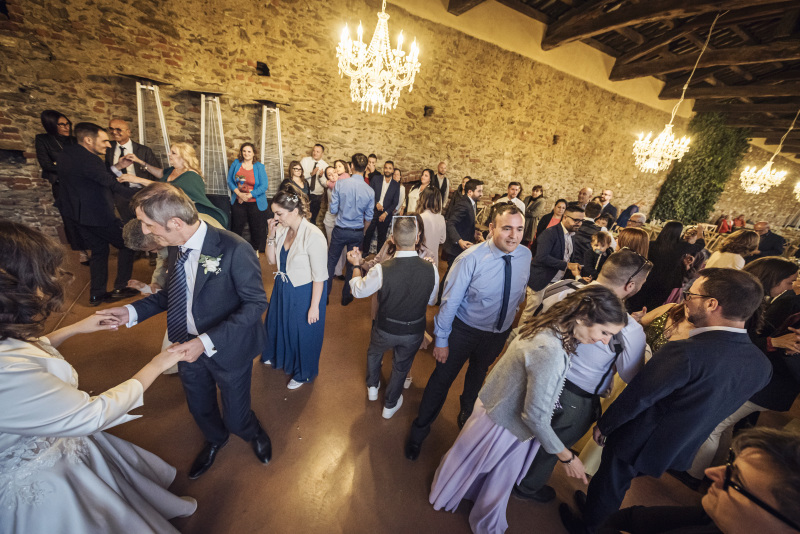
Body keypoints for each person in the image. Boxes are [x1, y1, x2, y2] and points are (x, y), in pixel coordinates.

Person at [0, 220, 197, 533]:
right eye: (42, 273)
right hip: (41, 484)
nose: (49, 281)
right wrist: (157, 364)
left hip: (54, 445)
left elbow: (23, 354)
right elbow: (92, 414)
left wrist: (76, 328)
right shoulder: (6, 373)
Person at [560, 268, 773, 533]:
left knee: (610, 483)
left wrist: (606, 424)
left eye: (691, 294)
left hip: (639, 438)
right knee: (614, 484)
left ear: (711, 304)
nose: (685, 299)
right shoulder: (762, 365)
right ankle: (596, 510)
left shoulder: (687, 352)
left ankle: (592, 527)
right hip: (680, 445)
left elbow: (641, 395)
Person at [97, 183, 272, 479]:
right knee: (199, 406)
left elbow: (256, 304)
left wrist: (205, 341)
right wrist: (131, 311)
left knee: (236, 413)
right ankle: (215, 439)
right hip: (184, 344)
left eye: (148, 223)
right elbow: (172, 294)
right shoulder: (176, 245)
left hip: (227, 346)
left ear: (175, 223)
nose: (145, 230)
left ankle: (250, 430)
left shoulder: (234, 249)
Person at [430, 286, 628, 534]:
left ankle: (453, 494)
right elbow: (534, 416)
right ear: (582, 317)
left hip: (496, 408)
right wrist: (567, 457)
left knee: (474, 465)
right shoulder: (551, 349)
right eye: (604, 332)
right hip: (504, 422)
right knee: (496, 476)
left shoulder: (552, 325)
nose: (605, 341)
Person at [513, 250, 651, 505]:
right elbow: (631, 375)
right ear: (630, 285)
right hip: (574, 396)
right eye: (642, 284)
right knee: (550, 448)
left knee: (518, 430)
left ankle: (503, 470)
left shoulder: (561, 287)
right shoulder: (628, 329)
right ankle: (526, 486)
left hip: (532, 372)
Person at [406, 204, 531, 460]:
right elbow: (449, 302)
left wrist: (508, 326)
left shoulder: (525, 256)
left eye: (519, 229)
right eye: (507, 228)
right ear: (492, 228)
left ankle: (466, 416)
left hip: (496, 334)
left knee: (478, 375)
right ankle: (419, 431)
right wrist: (441, 340)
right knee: (441, 380)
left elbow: (519, 293)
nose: (514, 236)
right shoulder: (470, 259)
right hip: (463, 331)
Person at [682, 257, 800, 484]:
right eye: (789, 282)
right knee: (725, 425)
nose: (791, 287)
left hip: (768, 384)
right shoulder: (771, 301)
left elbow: (745, 341)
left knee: (713, 425)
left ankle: (693, 475)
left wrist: (774, 343)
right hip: (767, 382)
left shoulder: (781, 303)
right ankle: (711, 470)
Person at [595, 427, 800, 534]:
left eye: (736, 480)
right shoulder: (715, 516)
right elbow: (629, 518)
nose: (711, 473)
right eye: (730, 463)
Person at [348, 216, 439, 419]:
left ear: (393, 240)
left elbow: (358, 290)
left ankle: (372, 387)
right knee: (401, 366)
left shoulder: (382, 269)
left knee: (374, 353)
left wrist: (355, 265)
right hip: (413, 330)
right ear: (417, 238)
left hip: (385, 327)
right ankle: (390, 405)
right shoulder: (431, 268)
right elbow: (432, 300)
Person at [56, 122, 139, 306]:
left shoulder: (67, 154)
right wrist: (143, 195)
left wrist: (117, 166)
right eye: (104, 141)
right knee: (128, 244)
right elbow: (111, 184)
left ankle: (97, 294)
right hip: (97, 215)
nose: (108, 144)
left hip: (78, 215)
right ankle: (121, 287)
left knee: (99, 251)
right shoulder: (90, 160)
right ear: (88, 140)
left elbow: (94, 176)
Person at [262, 190, 328, 389]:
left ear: (295, 211)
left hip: (304, 290)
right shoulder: (283, 229)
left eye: (279, 213)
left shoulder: (313, 235)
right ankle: (279, 356)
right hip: (283, 285)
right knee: (279, 323)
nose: (275, 218)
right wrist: (271, 234)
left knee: (302, 331)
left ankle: (304, 373)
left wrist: (314, 306)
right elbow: (271, 260)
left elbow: (320, 276)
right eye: (274, 213)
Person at [121, 142, 228, 228]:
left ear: (183, 157)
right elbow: (160, 173)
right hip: (173, 211)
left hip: (191, 214)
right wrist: (139, 161)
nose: (169, 154)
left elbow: (168, 188)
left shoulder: (191, 175)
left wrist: (137, 179)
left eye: (173, 153)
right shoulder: (174, 169)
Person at [34, 109, 87, 264]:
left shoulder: (73, 140)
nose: (66, 127)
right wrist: (69, 166)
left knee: (84, 216)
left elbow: (83, 161)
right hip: (61, 185)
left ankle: (92, 246)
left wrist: (60, 163)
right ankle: (82, 251)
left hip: (80, 184)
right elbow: (46, 164)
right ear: (51, 125)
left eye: (67, 123)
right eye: (61, 125)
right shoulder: (43, 139)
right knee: (70, 218)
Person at [522, 203, 584, 323]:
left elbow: (568, 256)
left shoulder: (572, 235)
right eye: (576, 220)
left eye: (581, 221)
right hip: (541, 280)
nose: (579, 223)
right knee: (531, 313)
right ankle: (518, 334)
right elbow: (541, 257)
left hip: (557, 282)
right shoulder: (550, 233)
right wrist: (566, 265)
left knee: (545, 315)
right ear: (565, 217)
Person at [327, 153, 375, 306]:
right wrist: (364, 231)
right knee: (352, 263)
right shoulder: (370, 191)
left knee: (331, 262)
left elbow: (333, 210)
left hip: (340, 229)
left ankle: (324, 295)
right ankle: (346, 296)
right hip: (357, 231)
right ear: (366, 168)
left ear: (351, 166)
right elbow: (369, 217)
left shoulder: (340, 184)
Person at [437, 178, 484, 304]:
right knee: (451, 274)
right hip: (456, 247)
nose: (482, 194)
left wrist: (473, 232)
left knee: (453, 274)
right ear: (470, 192)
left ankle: (441, 297)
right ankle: (439, 299)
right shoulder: (463, 204)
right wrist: (459, 241)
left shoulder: (471, 202)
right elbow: (450, 224)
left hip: (461, 246)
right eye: (479, 191)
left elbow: (464, 223)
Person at [626, 221, 690, 312]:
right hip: (665, 282)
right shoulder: (680, 248)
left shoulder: (651, 244)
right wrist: (700, 231)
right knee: (650, 307)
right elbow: (700, 245)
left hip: (647, 277)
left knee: (635, 303)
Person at [105, 118, 160, 221]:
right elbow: (106, 171)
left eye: (118, 129)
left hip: (140, 190)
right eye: (111, 129)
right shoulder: (108, 148)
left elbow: (157, 173)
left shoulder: (144, 150)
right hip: (118, 191)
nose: (114, 132)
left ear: (128, 132)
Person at [226, 142, 269, 254]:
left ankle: (255, 250)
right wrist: (239, 194)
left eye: (249, 151)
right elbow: (230, 180)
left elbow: (264, 186)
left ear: (254, 153)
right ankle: (235, 250)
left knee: (256, 228)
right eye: (244, 151)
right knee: (236, 227)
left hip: (255, 202)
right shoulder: (236, 163)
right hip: (239, 201)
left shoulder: (259, 167)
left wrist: (249, 195)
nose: (246, 153)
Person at [363, 160, 401, 254]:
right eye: (386, 168)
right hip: (373, 211)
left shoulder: (396, 185)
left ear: (392, 170)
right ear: (384, 169)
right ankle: (364, 254)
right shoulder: (376, 179)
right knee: (368, 233)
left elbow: (395, 202)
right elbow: (370, 194)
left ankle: (379, 258)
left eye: (390, 168)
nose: (387, 170)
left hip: (386, 214)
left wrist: (386, 213)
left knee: (382, 237)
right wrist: (376, 203)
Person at [323, 165, 346, 277]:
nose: (333, 175)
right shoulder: (331, 188)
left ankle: (338, 270)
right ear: (328, 178)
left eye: (334, 172)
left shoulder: (341, 183)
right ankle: (334, 272)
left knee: (343, 248)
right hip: (331, 221)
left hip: (341, 221)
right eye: (329, 175)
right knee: (333, 246)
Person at [299, 143, 328, 225]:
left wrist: (321, 177)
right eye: (314, 151)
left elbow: (326, 185)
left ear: (322, 153)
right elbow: (299, 176)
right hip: (303, 193)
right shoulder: (305, 161)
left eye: (318, 152)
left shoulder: (325, 166)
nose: (315, 153)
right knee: (301, 218)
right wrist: (311, 174)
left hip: (317, 196)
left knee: (312, 219)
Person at [418, 187, 447, 265]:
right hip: (434, 258)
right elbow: (442, 240)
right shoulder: (441, 218)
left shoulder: (420, 217)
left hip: (420, 256)